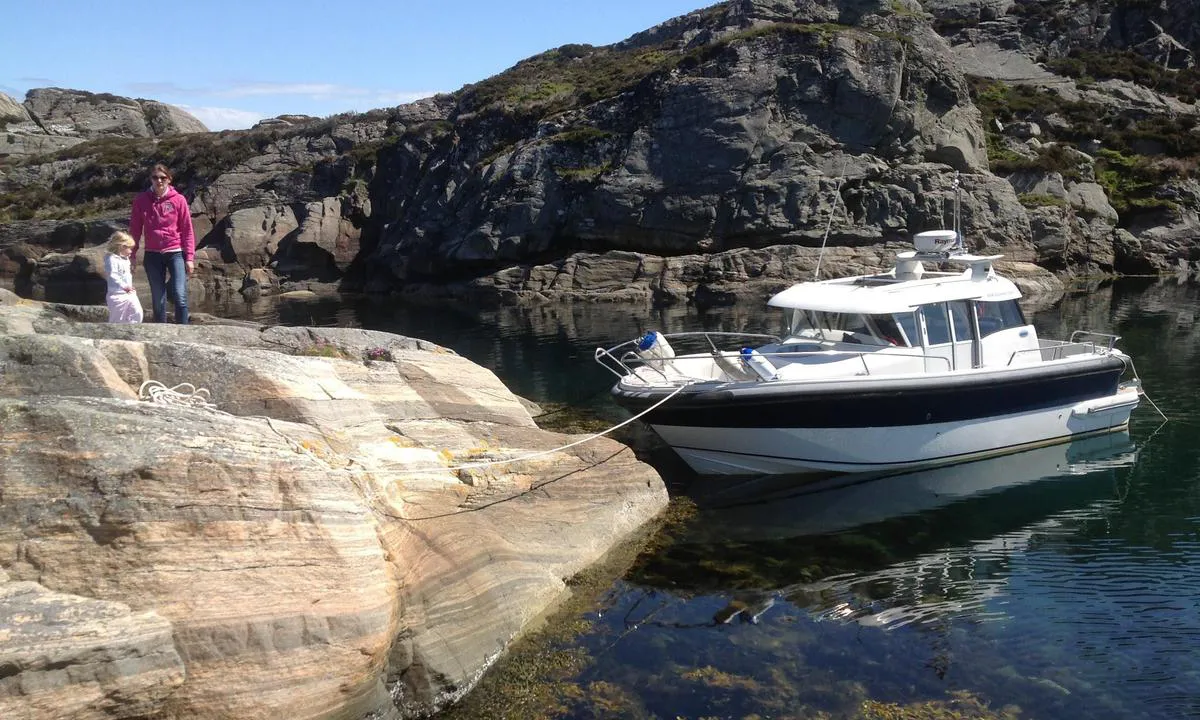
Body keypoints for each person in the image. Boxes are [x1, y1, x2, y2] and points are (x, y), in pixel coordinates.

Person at [129, 163, 194, 324]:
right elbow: (135, 230)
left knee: (180, 296)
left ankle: (184, 333)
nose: (159, 181)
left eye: (163, 178)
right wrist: (132, 255)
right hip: (152, 255)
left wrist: (190, 257)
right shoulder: (141, 200)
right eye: (155, 177)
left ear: (169, 179)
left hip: (175, 253)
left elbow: (187, 230)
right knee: (158, 301)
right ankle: (161, 332)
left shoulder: (179, 200)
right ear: (150, 179)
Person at [104, 231, 144, 323]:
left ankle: (133, 329)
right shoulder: (111, 259)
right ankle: (115, 334)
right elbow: (113, 275)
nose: (131, 251)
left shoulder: (126, 259)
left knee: (137, 312)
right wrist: (124, 286)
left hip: (129, 293)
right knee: (118, 319)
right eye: (130, 248)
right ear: (122, 247)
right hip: (116, 295)